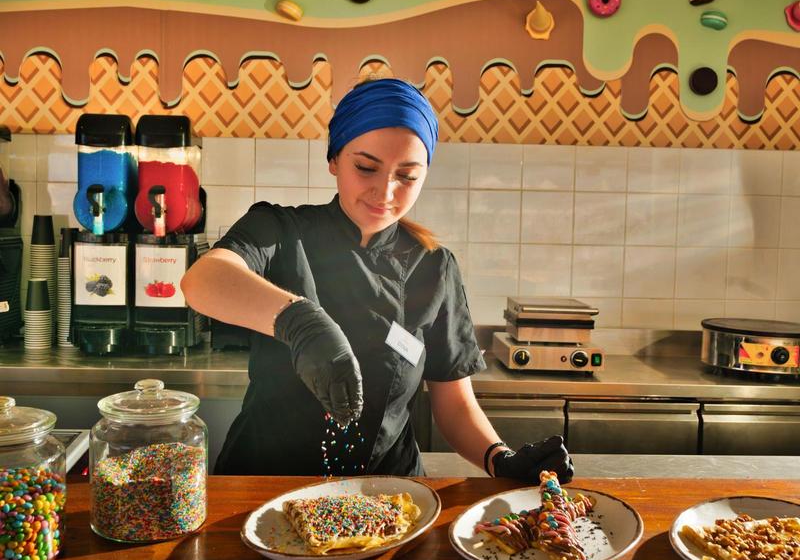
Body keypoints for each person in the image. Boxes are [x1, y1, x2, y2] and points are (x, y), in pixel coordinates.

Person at [181, 78, 574, 482]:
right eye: (366, 168)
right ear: (334, 159)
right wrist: (301, 324)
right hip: (262, 486)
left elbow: (453, 402)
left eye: (407, 176)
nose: (385, 191)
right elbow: (203, 279)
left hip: (386, 496)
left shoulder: (434, 266)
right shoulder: (280, 230)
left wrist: (500, 459)